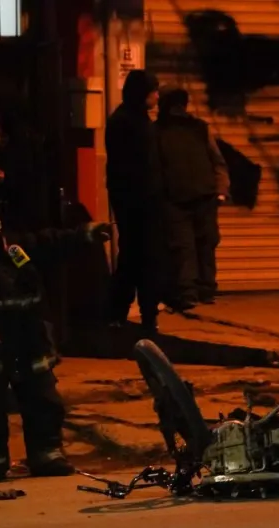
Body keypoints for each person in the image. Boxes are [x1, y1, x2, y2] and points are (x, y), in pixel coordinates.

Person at [0, 198, 111, 482]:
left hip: (27, 338)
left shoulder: (15, 248)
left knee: (42, 398)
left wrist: (85, 233)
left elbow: (50, 242)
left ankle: (47, 454)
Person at [154, 87, 230, 309]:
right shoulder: (190, 128)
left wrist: (221, 189)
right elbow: (218, 161)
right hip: (190, 197)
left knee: (191, 246)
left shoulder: (166, 130)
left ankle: (195, 291)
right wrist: (220, 190)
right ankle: (196, 290)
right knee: (191, 245)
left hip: (187, 197)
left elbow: (217, 161)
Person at [105, 69, 167, 332]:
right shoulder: (126, 122)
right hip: (136, 203)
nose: (157, 96)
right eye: (154, 90)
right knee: (137, 257)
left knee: (141, 258)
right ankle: (128, 313)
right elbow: (131, 167)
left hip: (144, 201)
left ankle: (140, 313)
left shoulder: (139, 120)